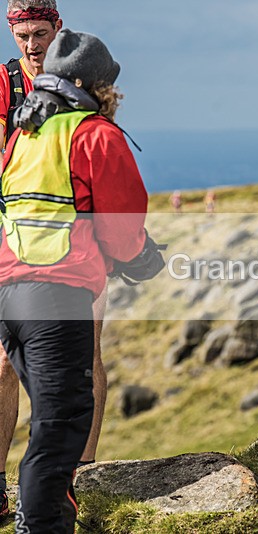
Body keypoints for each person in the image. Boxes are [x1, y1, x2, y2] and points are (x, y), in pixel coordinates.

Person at [0, 28, 163, 531]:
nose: (114, 96)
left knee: (49, 420)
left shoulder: (24, 135)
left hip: (10, 297)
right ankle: (40, 524)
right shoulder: (93, 133)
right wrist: (139, 258)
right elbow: (121, 227)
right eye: (109, 87)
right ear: (91, 85)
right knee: (60, 425)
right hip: (58, 298)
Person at [0, 1, 110, 520]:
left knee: (88, 351)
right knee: (2, 365)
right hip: (13, 244)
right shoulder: (5, 84)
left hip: (78, 251)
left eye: (40, 34)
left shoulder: (83, 73)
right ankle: (2, 485)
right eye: (23, 36)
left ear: (57, 29)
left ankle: (80, 475)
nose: (32, 45)